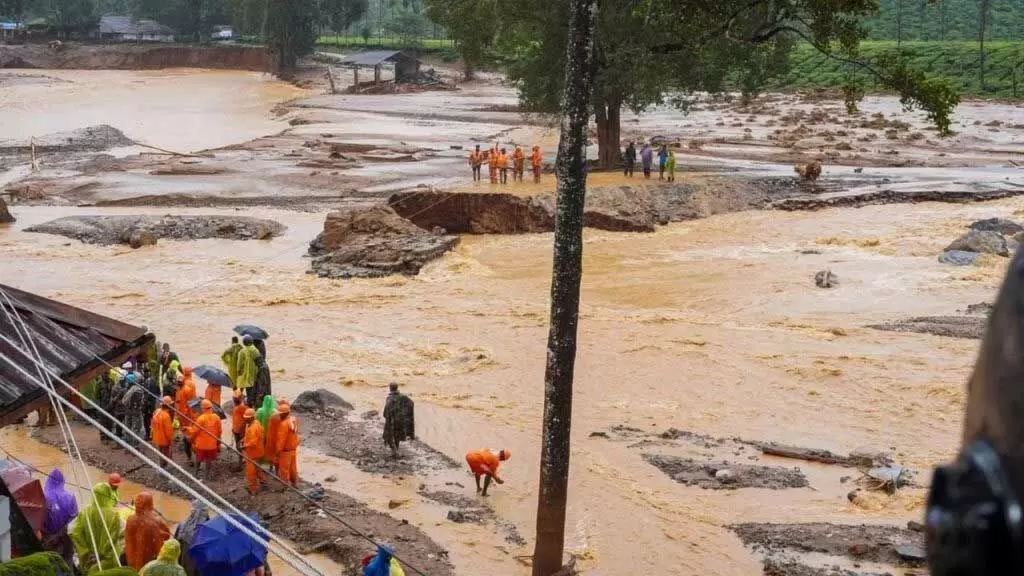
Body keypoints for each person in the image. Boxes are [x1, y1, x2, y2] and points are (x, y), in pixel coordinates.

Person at [70, 482, 124, 574]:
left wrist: (86, 552)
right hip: (109, 560)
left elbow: (75, 532)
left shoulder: (84, 512)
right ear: (108, 494)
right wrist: (102, 553)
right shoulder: (114, 515)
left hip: (89, 560)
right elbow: (116, 536)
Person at [41, 467, 78, 570]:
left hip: (48, 540)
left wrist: (51, 536)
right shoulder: (70, 497)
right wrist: (60, 534)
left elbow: (38, 519)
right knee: (67, 561)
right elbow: (74, 519)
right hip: (66, 539)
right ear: (62, 481)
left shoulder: (43, 496)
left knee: (50, 565)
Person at [125, 492, 171, 571]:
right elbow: (167, 535)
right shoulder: (157, 521)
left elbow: (128, 540)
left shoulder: (130, 520)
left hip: (132, 559)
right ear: (150, 504)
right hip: (151, 560)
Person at [173, 502, 210, 576]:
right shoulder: (209, 530)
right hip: (198, 567)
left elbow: (174, 547)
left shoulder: (182, 526)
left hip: (182, 564)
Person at [383, 383, 415, 457]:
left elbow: (386, 409)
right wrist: (405, 413)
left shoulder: (389, 398)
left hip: (392, 420)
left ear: (390, 388)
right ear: (397, 388)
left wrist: (386, 415)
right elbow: (411, 403)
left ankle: (394, 452)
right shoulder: (402, 396)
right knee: (397, 436)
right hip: (400, 420)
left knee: (390, 435)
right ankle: (395, 451)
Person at [194, 399, 222, 480]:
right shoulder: (216, 417)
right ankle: (207, 476)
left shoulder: (200, 418)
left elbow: (195, 431)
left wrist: (188, 431)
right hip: (212, 445)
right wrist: (218, 442)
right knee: (208, 460)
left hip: (201, 445)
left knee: (198, 459)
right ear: (211, 408)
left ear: (203, 408)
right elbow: (219, 431)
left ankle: (196, 474)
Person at [241, 408, 265, 495]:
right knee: (258, 468)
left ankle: (253, 490)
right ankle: (263, 482)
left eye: (247, 418)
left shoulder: (254, 427)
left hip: (253, 453)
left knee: (251, 473)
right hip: (258, 452)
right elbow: (251, 437)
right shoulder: (255, 424)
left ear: (251, 418)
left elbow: (253, 442)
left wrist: (243, 446)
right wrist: (243, 439)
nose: (245, 419)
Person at [122, 373, 149, 447]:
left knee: (128, 428)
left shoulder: (128, 390)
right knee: (136, 429)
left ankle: (128, 445)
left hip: (128, 412)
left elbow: (123, 402)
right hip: (135, 412)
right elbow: (141, 402)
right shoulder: (138, 390)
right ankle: (135, 446)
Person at [276, 404, 300, 487]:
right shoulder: (293, 420)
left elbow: (281, 440)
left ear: (284, 414)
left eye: (280, 413)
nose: (279, 415)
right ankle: (294, 483)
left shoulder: (284, 424)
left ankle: (285, 485)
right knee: (293, 468)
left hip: (285, 451)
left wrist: (278, 451)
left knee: (284, 469)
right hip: (293, 449)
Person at [235, 336, 261, 407]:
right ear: (251, 342)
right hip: (254, 373)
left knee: (243, 386)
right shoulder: (256, 350)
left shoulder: (242, 351)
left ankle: (241, 401)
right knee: (252, 388)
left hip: (245, 374)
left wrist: (239, 371)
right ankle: (251, 401)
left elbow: (239, 363)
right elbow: (259, 362)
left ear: (244, 343)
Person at [151, 396, 175, 466]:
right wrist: (171, 440)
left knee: (160, 452)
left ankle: (161, 465)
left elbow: (152, 423)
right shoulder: (166, 416)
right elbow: (168, 431)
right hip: (164, 439)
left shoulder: (157, 411)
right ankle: (164, 467)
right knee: (165, 453)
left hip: (157, 437)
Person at [262, 398, 283, 472]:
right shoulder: (277, 413)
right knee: (277, 454)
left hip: (269, 435)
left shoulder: (261, 411)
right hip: (278, 437)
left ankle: (269, 466)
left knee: (270, 452)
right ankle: (277, 470)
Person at [231, 390, 248, 469]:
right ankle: (242, 460)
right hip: (236, 430)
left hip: (240, 431)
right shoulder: (236, 407)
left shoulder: (243, 407)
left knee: (240, 447)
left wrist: (242, 429)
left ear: (240, 398)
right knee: (239, 447)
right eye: (234, 398)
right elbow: (235, 419)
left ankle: (240, 463)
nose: (234, 399)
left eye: (236, 398)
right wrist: (233, 428)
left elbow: (245, 419)